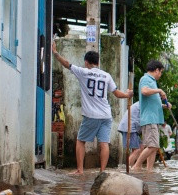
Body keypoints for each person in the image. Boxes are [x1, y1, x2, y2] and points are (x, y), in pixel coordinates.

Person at [53, 44, 131, 176]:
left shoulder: (83, 72)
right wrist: (128, 94)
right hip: (106, 115)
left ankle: (80, 170)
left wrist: (55, 53)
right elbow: (117, 94)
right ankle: (102, 171)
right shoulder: (106, 76)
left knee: (80, 141)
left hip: (91, 115)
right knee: (104, 143)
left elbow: (67, 64)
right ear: (98, 63)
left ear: (86, 62)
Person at [130, 60, 167, 172]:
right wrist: (159, 90)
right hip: (150, 118)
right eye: (161, 72)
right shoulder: (146, 79)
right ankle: (136, 166)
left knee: (153, 147)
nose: (160, 75)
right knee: (153, 146)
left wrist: (164, 105)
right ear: (157, 70)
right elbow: (144, 91)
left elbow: (152, 102)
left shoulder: (152, 82)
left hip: (154, 119)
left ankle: (149, 170)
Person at [117, 101, 141, 167]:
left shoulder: (140, 103)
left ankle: (135, 167)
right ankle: (128, 167)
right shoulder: (143, 105)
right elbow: (139, 122)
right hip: (130, 127)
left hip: (130, 127)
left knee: (140, 146)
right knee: (137, 150)